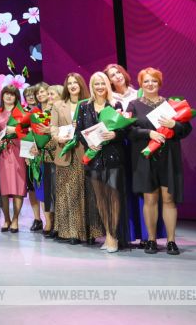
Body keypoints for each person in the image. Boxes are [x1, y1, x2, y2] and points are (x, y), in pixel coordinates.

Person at [127, 68, 192, 255]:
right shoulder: (133, 105)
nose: (150, 84)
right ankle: (151, 239)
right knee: (150, 199)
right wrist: (148, 133)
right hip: (145, 157)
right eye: (146, 81)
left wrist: (174, 125)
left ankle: (171, 241)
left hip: (168, 157)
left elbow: (186, 129)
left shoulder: (171, 104)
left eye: (154, 81)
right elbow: (128, 131)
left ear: (159, 83)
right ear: (141, 84)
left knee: (169, 199)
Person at [105, 62, 160, 248]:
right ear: (109, 81)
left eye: (118, 72)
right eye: (112, 75)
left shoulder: (139, 93)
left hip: (141, 144)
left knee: (145, 189)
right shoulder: (110, 99)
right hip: (120, 145)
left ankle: (147, 235)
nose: (117, 76)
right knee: (125, 189)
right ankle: (127, 234)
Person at [48, 74, 103, 245]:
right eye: (69, 83)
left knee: (87, 193)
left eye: (75, 83)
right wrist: (57, 137)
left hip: (84, 153)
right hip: (65, 153)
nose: (72, 86)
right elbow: (53, 127)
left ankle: (90, 232)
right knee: (67, 193)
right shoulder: (58, 105)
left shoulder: (88, 103)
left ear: (81, 85)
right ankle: (71, 231)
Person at [77, 71, 129, 253]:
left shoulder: (115, 105)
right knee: (100, 198)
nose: (99, 87)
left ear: (107, 85)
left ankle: (113, 236)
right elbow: (78, 132)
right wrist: (88, 142)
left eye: (102, 83)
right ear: (91, 86)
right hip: (94, 157)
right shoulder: (84, 107)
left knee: (113, 195)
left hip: (113, 156)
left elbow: (125, 130)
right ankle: (107, 233)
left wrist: (115, 134)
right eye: (96, 84)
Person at [0, 85, 26, 234]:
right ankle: (6, 218)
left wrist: (17, 130)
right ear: (2, 96)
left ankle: (15, 219)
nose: (9, 96)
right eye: (6, 93)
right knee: (3, 188)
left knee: (18, 187)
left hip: (18, 152)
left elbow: (28, 132)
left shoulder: (22, 113)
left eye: (12, 94)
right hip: (2, 153)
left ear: (16, 97)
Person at [35, 82, 56, 237]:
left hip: (56, 153)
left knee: (54, 189)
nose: (41, 95)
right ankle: (48, 220)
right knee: (42, 190)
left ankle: (57, 222)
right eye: (38, 93)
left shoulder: (56, 109)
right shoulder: (35, 112)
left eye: (44, 92)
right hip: (39, 155)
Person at [22, 85, 44, 232]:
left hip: (44, 152)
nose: (30, 97)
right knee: (32, 187)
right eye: (27, 95)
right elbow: (22, 133)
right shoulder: (22, 112)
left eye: (33, 94)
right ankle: (37, 219)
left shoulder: (43, 111)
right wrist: (26, 155)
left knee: (44, 186)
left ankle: (50, 219)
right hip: (29, 152)